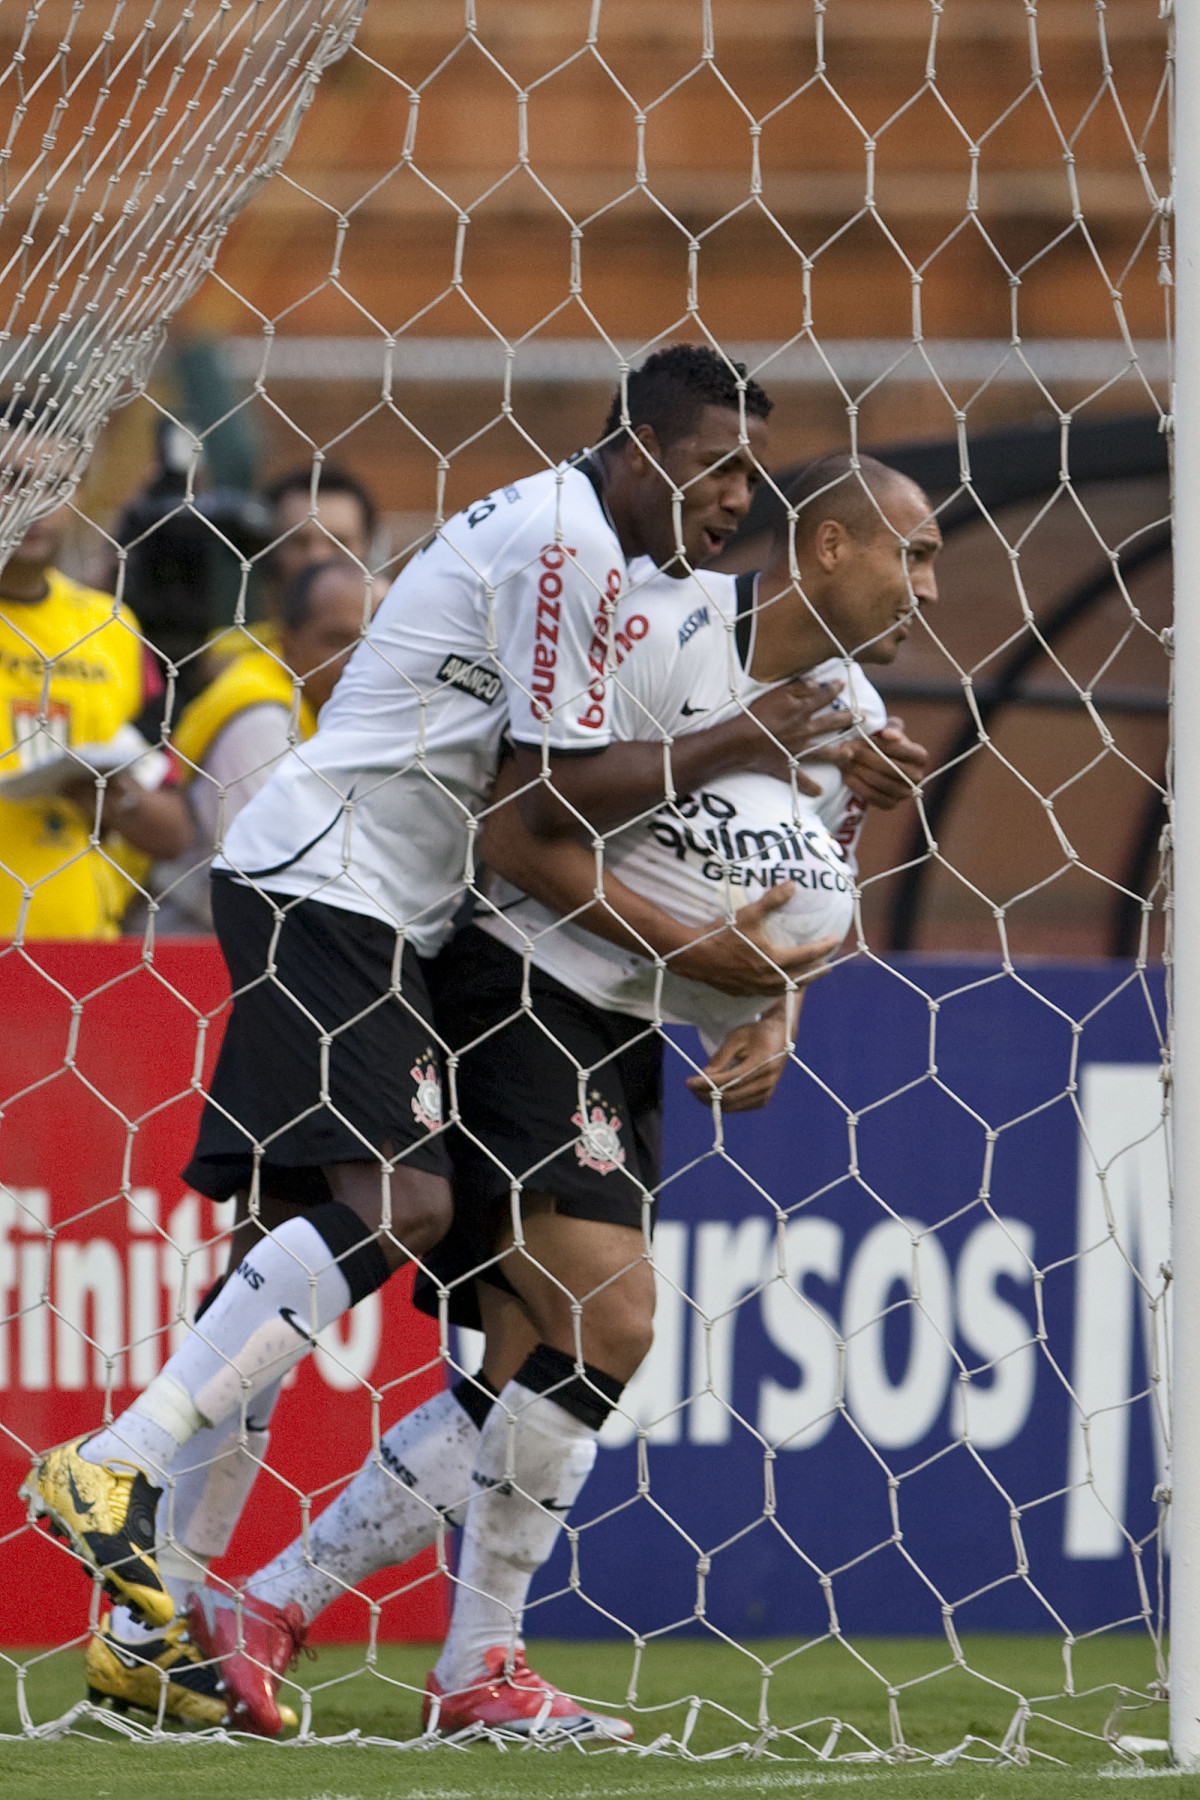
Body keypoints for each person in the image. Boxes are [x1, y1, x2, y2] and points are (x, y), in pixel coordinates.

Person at [22, 347, 851, 1705]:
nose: (730, 496)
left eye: (750, 473)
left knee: (282, 1255)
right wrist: (746, 752)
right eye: (712, 466)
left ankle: (146, 1627)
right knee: (400, 1202)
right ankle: (114, 1458)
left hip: (375, 904)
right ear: (639, 448)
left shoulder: (608, 558)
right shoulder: (565, 542)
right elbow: (545, 806)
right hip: (330, 878)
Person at [189, 452, 939, 1740]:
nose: (928, 585)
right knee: (617, 1315)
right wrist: (699, 957)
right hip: (525, 980)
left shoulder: (852, 708)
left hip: (631, 1015)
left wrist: (775, 1006)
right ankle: (296, 1598)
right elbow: (524, 818)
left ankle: (383, 1638)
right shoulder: (662, 634)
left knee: (542, 1358)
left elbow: (800, 879)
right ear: (826, 546)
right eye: (912, 554)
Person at [0, 477, 192, 940]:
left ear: (79, 498)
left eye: (52, 484)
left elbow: (175, 831)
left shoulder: (110, 627)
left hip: (82, 959)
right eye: (9, 480)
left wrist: (112, 798)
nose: (32, 503)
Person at [149, 556, 377, 933]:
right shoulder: (262, 722)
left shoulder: (334, 715)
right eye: (337, 641)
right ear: (289, 644)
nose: (357, 661)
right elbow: (263, 883)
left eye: (372, 641)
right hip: (191, 954)